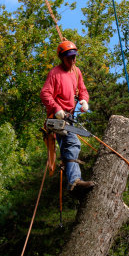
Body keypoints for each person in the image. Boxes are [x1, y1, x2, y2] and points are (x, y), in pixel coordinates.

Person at [40, 40, 93, 190]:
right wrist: (56, 108)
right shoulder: (55, 73)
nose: (72, 60)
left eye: (74, 57)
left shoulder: (76, 71)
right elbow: (45, 93)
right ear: (62, 58)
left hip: (69, 118)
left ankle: (74, 183)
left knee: (69, 146)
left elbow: (82, 89)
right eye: (69, 58)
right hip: (56, 118)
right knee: (73, 143)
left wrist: (84, 100)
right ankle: (75, 181)